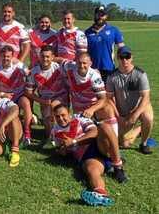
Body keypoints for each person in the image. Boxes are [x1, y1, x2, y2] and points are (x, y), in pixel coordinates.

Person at [62, 52, 127, 182]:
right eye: (79, 62)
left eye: (85, 63)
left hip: (93, 108)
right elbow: (58, 60)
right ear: (75, 61)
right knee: (79, 142)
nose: (82, 65)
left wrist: (92, 109)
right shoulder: (69, 67)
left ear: (90, 63)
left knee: (107, 108)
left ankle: (114, 155)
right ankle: (110, 152)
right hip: (78, 113)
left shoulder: (94, 75)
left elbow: (103, 99)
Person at [51, 104, 116, 206]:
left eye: (63, 115)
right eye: (57, 117)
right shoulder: (55, 131)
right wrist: (62, 151)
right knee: (92, 170)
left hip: (97, 144)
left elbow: (94, 132)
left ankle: (118, 165)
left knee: (105, 127)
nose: (61, 119)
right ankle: (101, 195)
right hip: (86, 156)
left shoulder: (79, 118)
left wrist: (74, 142)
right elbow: (61, 149)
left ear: (70, 114)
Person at [106, 46, 154, 154]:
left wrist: (135, 115)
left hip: (139, 107)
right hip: (122, 112)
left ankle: (144, 144)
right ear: (117, 58)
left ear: (132, 57)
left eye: (127, 57)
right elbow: (109, 99)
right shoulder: (112, 76)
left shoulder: (140, 74)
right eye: (121, 57)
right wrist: (118, 116)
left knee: (148, 118)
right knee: (124, 144)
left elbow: (146, 97)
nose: (124, 60)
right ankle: (140, 130)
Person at [0, 45, 33, 144]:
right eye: (4, 56)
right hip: (6, 98)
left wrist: (28, 88)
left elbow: (30, 75)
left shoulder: (19, 66)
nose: (6, 58)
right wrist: (3, 94)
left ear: (12, 56)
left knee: (26, 103)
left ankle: (27, 133)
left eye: (8, 56)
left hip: (19, 95)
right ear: (0, 56)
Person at [25, 45, 68, 138]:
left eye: (48, 57)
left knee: (56, 112)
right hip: (45, 100)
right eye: (43, 56)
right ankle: (51, 138)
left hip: (61, 97)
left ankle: (63, 136)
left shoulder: (59, 68)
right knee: (48, 120)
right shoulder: (33, 72)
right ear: (39, 56)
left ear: (53, 57)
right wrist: (42, 101)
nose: (45, 59)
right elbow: (28, 92)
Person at [85, 6, 125, 82]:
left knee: (109, 93)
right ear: (94, 15)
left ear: (106, 16)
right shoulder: (87, 32)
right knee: (93, 93)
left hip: (109, 69)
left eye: (102, 15)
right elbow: (84, 52)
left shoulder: (114, 30)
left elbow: (122, 48)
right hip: (92, 70)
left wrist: (123, 65)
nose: (100, 17)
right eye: (98, 14)